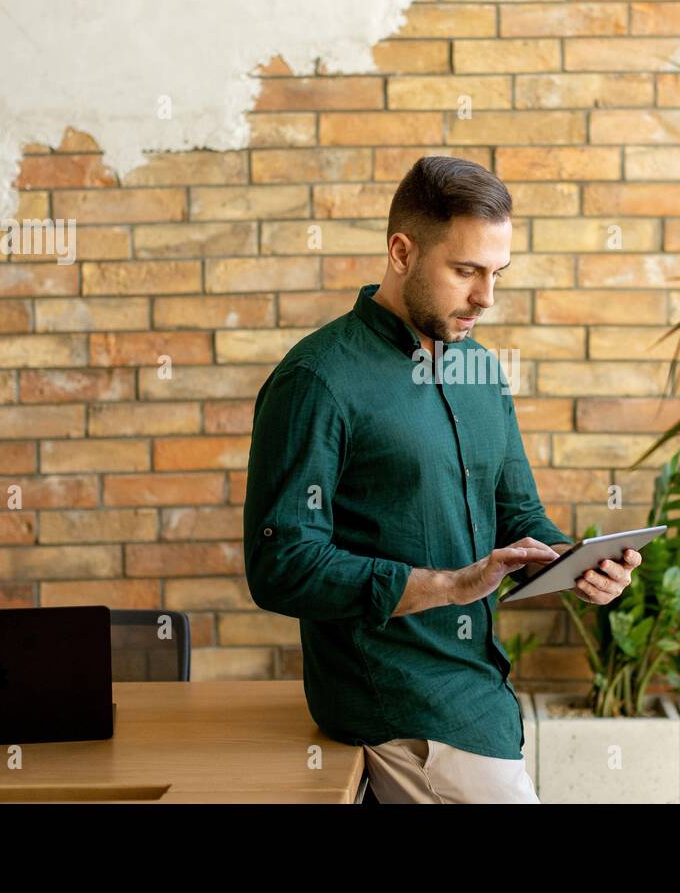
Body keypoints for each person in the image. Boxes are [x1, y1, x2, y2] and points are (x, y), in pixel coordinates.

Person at [243, 155, 641, 803]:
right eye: (466, 271)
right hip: (400, 714)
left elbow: (521, 520)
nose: (486, 297)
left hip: (484, 701)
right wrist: (449, 586)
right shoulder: (317, 381)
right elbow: (279, 563)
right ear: (402, 251)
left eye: (496, 274)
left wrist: (576, 566)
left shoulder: (481, 370)